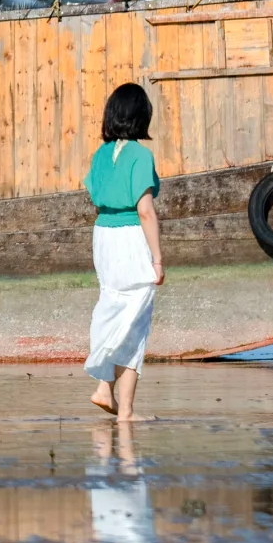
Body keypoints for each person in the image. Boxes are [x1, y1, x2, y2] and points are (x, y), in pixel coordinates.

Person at [83, 83, 163, 422]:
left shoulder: (100, 155)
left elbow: (93, 192)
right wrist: (157, 258)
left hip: (103, 234)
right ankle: (119, 404)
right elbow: (145, 209)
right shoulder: (140, 155)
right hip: (130, 236)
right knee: (134, 321)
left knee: (113, 307)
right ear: (141, 116)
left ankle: (111, 392)